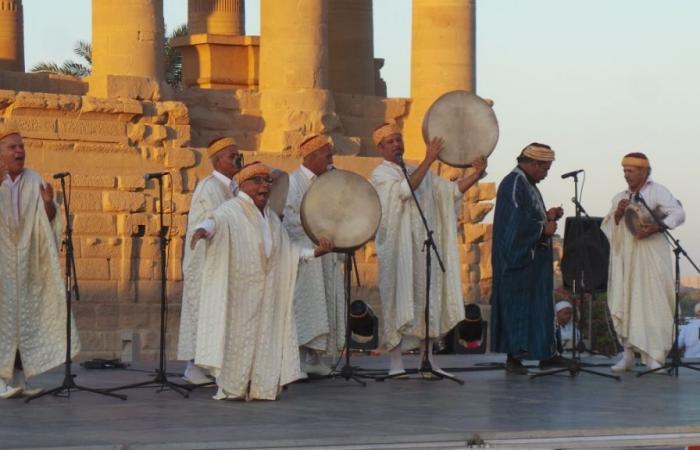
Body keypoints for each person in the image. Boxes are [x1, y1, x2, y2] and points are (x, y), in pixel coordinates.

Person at [189, 162, 333, 400]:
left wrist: (314, 253)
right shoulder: (232, 209)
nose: (264, 186)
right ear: (243, 185)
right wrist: (203, 230)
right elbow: (215, 220)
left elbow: (288, 251)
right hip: (241, 293)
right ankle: (233, 388)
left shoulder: (273, 219)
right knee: (239, 339)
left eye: (267, 181)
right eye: (257, 181)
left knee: (265, 338)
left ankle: (260, 387)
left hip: (267, 292)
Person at [370, 123, 487, 377]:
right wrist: (429, 159)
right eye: (390, 142)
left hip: (423, 249)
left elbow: (449, 193)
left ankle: (427, 360)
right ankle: (396, 363)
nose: (397, 145)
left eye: (399, 140)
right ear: (380, 148)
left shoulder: (415, 170)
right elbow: (404, 191)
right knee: (397, 300)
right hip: (399, 250)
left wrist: (476, 174)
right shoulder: (381, 174)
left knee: (427, 302)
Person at [0, 128, 79, 399]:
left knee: (23, 320)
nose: (19, 151)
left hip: (25, 265)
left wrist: (48, 206)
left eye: (21, 147)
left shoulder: (33, 179)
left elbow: (48, 221)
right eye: (12, 147)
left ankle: (19, 377)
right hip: (1, 263)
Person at [601, 152, 684, 372]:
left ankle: (655, 357)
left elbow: (678, 213)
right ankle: (628, 355)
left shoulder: (657, 192)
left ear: (644, 171)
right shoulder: (620, 196)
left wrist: (657, 226)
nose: (626, 175)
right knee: (625, 301)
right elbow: (609, 226)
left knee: (653, 303)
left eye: (631, 171)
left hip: (652, 257)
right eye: (624, 171)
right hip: (627, 259)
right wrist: (618, 214)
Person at [490, 143, 563, 375]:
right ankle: (515, 358)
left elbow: (528, 215)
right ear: (533, 164)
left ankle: (546, 354)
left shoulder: (527, 184)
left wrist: (547, 216)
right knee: (517, 310)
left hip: (533, 265)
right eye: (545, 169)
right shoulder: (513, 184)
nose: (546, 174)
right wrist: (544, 229)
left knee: (538, 309)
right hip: (517, 264)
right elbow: (514, 224)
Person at [177, 137, 243, 385]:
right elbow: (219, 221)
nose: (237, 160)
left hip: (225, 262)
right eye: (231, 156)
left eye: (239, 155)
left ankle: (216, 365)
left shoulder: (235, 187)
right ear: (217, 161)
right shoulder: (210, 187)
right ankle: (193, 366)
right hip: (206, 264)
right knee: (202, 313)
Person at [283, 134, 344, 375]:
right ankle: (296, 359)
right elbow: (289, 219)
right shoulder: (292, 182)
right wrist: (315, 237)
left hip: (326, 254)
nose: (331, 160)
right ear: (312, 156)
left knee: (326, 304)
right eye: (328, 155)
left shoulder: (328, 182)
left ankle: (315, 359)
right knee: (303, 306)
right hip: (305, 256)